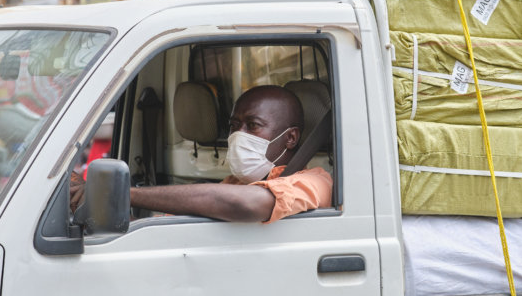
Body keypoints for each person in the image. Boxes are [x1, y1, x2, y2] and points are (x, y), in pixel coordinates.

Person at [72, 85, 332, 224]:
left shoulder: (316, 182)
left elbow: (245, 204)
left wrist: (121, 193)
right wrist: (94, 205)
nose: (237, 135)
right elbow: (173, 231)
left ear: (291, 137)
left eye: (252, 125)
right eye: (233, 126)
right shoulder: (235, 183)